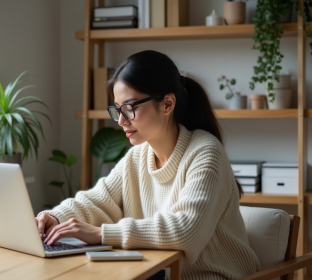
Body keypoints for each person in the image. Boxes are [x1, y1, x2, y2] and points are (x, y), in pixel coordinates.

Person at [35, 50, 261, 279]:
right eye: (117, 109)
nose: (122, 120)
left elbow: (185, 231)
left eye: (130, 107)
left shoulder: (205, 153)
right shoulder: (138, 156)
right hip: (158, 273)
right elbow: (97, 201)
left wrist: (102, 234)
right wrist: (55, 217)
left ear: (167, 104)